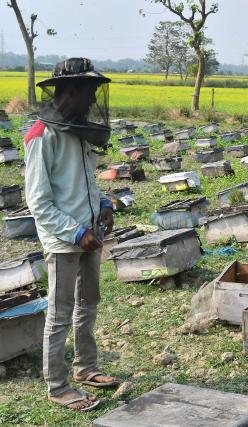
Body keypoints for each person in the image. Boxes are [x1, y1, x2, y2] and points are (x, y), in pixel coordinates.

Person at [24, 58, 121, 411]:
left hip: (88, 232)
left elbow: (86, 181)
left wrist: (104, 204)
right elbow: (38, 200)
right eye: (90, 91)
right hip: (64, 238)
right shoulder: (41, 135)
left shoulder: (77, 130)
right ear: (72, 90)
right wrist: (75, 232)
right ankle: (57, 384)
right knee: (61, 311)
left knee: (88, 304)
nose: (93, 99)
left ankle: (86, 368)